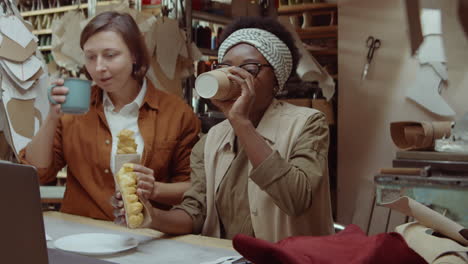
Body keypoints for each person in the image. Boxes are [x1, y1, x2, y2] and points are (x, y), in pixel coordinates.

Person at [114, 16, 334, 242]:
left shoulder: (308, 124)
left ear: (277, 80)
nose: (235, 77)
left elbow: (296, 198)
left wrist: (241, 122)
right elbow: (195, 213)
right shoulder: (211, 141)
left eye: (250, 68)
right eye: (226, 68)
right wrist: (151, 216)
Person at [19, 11, 200, 221]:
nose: (99, 67)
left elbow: (192, 190)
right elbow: (38, 173)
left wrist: (155, 189)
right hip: (84, 235)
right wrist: (51, 117)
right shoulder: (74, 112)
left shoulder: (176, 113)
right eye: (90, 57)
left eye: (110, 55)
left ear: (134, 55)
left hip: (147, 238)